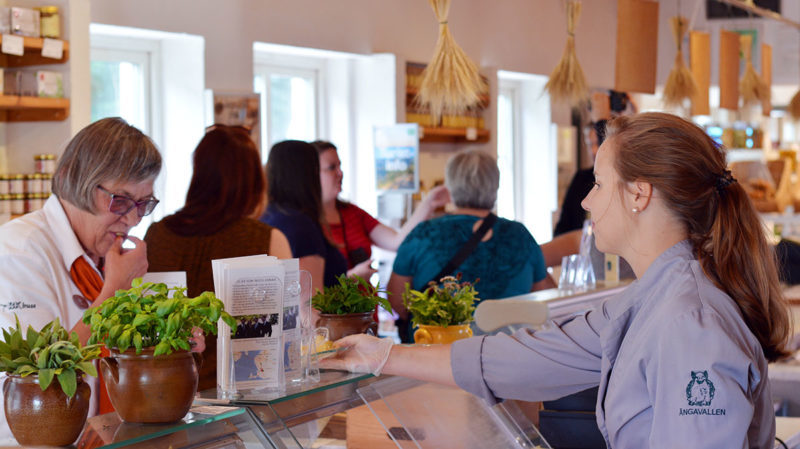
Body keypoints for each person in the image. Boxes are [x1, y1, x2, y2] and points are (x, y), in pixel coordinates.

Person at [323, 112, 792, 448]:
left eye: (600, 184)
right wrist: (383, 355)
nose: (587, 202)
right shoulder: (652, 297)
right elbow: (532, 355)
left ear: (639, 195)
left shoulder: (691, 321)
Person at [0, 117, 162, 442]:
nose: (131, 219)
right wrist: (114, 293)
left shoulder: (107, 256)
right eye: (120, 201)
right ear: (73, 181)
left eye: (143, 204)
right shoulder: (19, 250)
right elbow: (38, 374)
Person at [144, 125, 291, 391]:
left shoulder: (157, 234)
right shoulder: (268, 239)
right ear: (254, 180)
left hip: (167, 392)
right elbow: (287, 332)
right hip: (244, 394)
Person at [387, 149, 554, 341]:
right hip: (506, 353)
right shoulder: (521, 235)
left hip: (435, 353)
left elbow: (398, 302)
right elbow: (542, 298)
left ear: (450, 186)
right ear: (495, 186)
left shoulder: (422, 235)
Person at [311, 140, 449, 279]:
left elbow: (396, 241)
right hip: (333, 301)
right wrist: (352, 277)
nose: (340, 173)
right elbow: (310, 284)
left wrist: (429, 203)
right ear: (312, 174)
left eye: (340, 166)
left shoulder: (352, 213)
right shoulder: (306, 222)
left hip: (367, 300)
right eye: (331, 167)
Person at [261, 140, 346, 294]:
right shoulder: (300, 226)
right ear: (308, 175)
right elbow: (310, 305)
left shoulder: (265, 216)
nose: (340, 173)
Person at [553, 119, 606, 237]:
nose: (594, 151)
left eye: (598, 143)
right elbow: (562, 227)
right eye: (590, 144)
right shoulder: (580, 179)